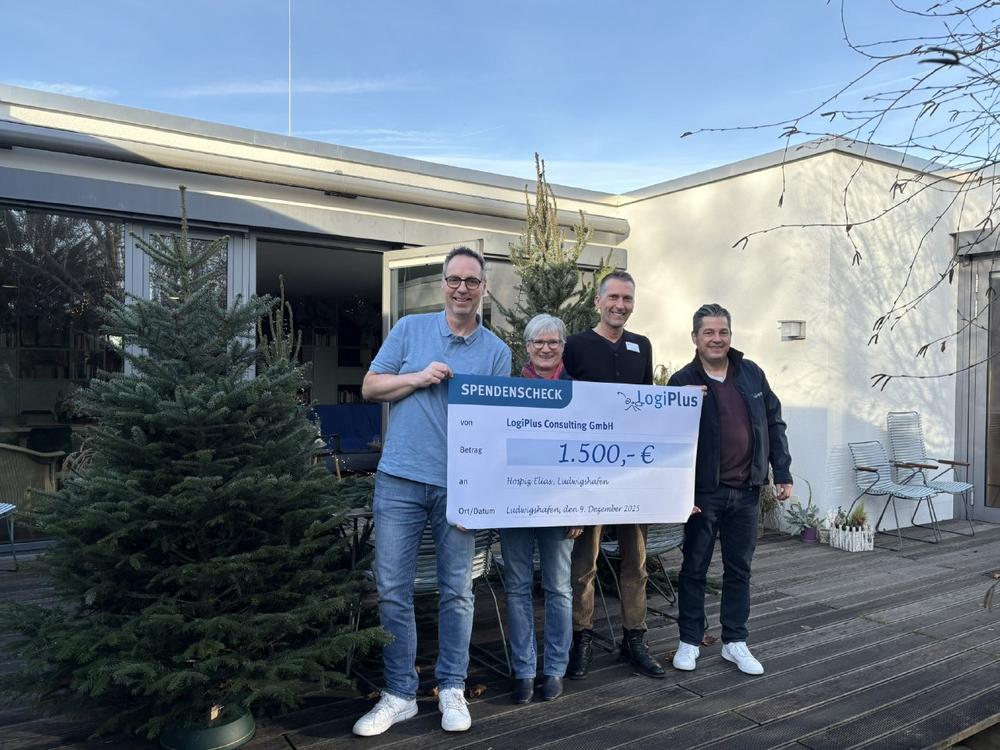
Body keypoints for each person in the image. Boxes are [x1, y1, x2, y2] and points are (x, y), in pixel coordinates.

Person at [352, 246, 512, 737]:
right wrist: (419, 377)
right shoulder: (409, 330)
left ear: (484, 289)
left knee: (457, 591)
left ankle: (452, 687)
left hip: (458, 487)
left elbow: (497, 430)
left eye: (472, 281)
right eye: (454, 279)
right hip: (399, 478)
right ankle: (399, 693)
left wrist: (481, 494)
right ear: (442, 283)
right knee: (392, 589)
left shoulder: (497, 352)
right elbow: (370, 387)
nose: (462, 288)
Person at [668, 303, 792, 676]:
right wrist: (679, 492)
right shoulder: (682, 381)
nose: (716, 339)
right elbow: (669, 441)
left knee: (740, 569)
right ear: (695, 338)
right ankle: (690, 640)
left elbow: (774, 422)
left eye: (722, 332)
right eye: (708, 332)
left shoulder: (752, 374)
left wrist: (781, 471)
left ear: (730, 336)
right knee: (694, 568)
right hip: (704, 495)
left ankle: (735, 641)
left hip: (747, 491)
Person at [562, 270, 666, 679]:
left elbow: (649, 404)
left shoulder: (642, 346)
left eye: (627, 299)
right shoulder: (575, 345)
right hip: (588, 471)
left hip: (631, 474)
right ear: (598, 301)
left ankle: (634, 638)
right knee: (584, 564)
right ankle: (581, 638)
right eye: (614, 298)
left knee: (636, 562)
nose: (620, 305)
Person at [500, 313, 583, 704]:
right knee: (516, 588)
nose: (545, 348)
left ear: (563, 347)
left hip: (560, 507)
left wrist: (582, 508)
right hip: (514, 506)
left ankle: (554, 669)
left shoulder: (579, 392)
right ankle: (524, 670)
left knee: (559, 589)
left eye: (553, 342)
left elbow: (588, 455)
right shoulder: (507, 391)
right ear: (527, 347)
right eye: (538, 342)